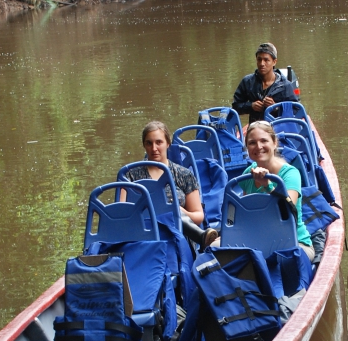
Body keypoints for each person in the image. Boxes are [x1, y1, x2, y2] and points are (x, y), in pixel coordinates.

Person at [125, 121, 218, 250]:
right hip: (143, 232)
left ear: (168, 143)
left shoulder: (184, 174)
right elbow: (123, 212)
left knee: (171, 211)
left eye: (159, 142)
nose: (154, 148)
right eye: (149, 143)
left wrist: (180, 211)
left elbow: (198, 216)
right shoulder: (130, 175)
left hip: (176, 233)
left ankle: (199, 238)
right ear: (144, 146)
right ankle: (200, 237)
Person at [238, 120, 318, 261]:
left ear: (274, 143)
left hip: (294, 244)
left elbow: (287, 211)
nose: (259, 147)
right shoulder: (246, 175)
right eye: (252, 143)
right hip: (260, 242)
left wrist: (268, 186)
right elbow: (245, 216)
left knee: (277, 259)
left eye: (264, 141)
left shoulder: (290, 173)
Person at [232, 42, 295, 124]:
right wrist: (251, 106)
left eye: (266, 60)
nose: (262, 63)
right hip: (255, 129)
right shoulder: (247, 82)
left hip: (277, 130)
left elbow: (295, 111)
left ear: (274, 62)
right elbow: (235, 107)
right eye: (259, 59)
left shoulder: (285, 85)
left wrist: (275, 107)